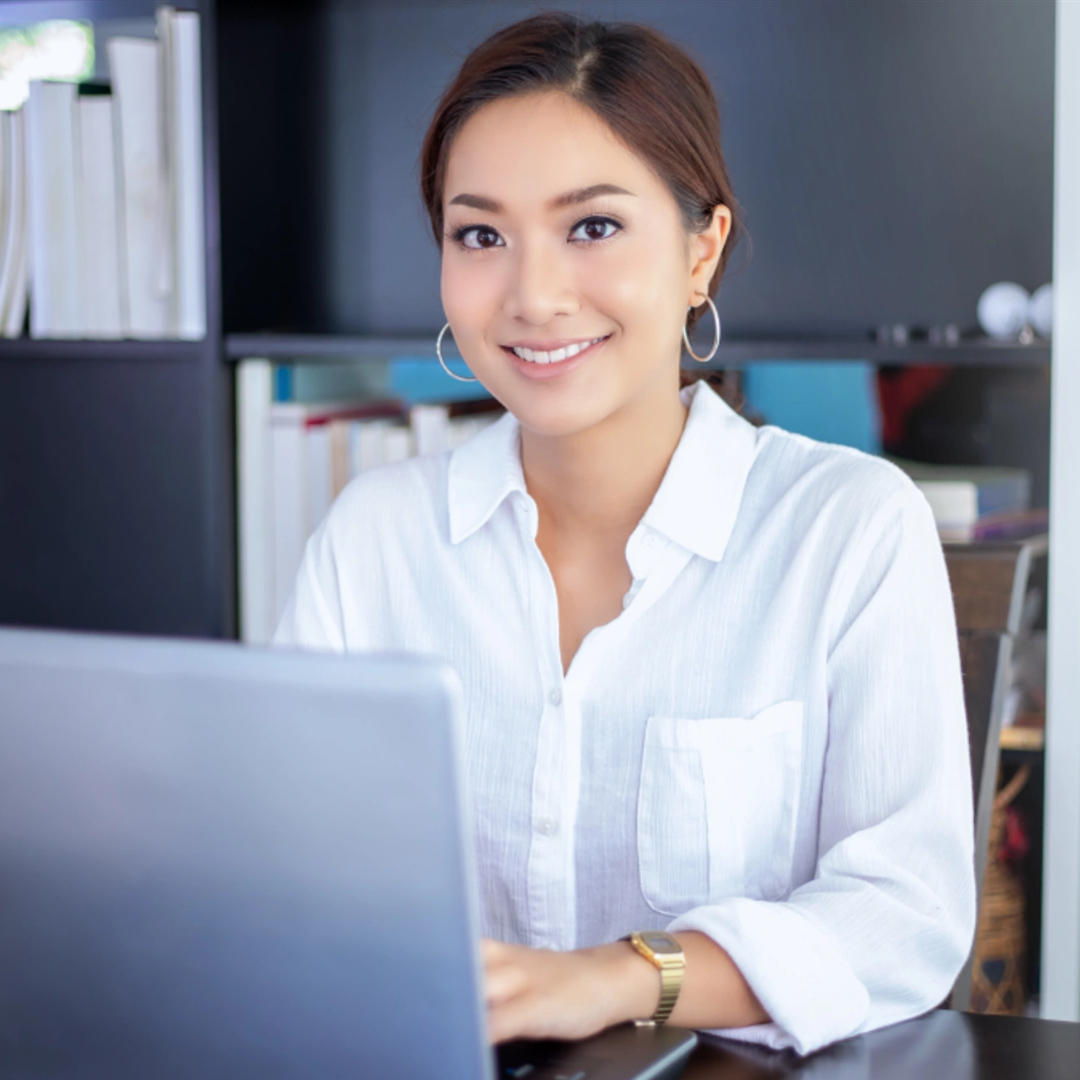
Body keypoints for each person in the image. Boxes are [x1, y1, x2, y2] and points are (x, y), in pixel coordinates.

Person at [274, 12, 976, 1056]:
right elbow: (281, 879)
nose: (534, 295)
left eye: (592, 227)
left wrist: (615, 979)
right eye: (481, 235)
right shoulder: (375, 538)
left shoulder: (849, 529)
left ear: (703, 249)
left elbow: (904, 917)